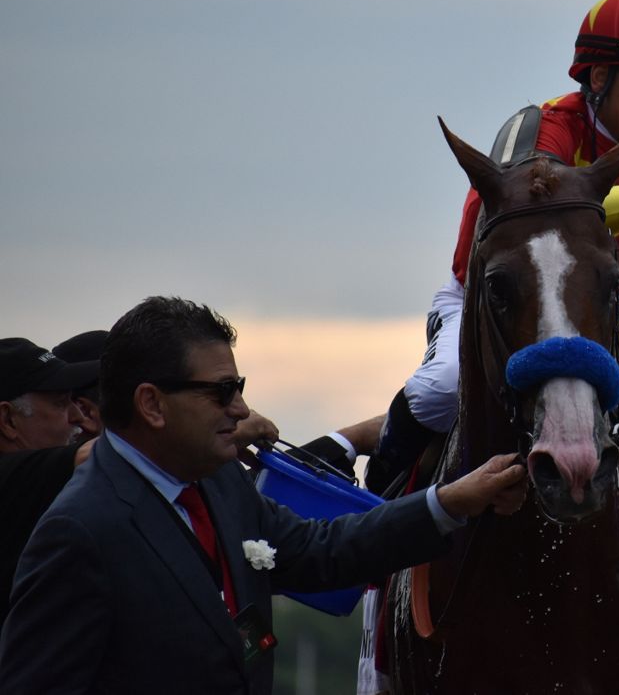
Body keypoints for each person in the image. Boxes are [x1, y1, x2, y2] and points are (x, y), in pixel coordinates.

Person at [0, 297, 527, 695]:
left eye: (241, 386)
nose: (241, 409)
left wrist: (451, 501)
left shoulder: (219, 480)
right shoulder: (81, 532)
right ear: (151, 405)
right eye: (222, 391)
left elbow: (323, 550)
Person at [384, 0, 619, 502]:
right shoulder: (545, 130)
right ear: (600, 76)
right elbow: (537, 219)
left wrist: (588, 342)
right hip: (490, 304)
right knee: (439, 388)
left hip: (598, 315)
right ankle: (379, 521)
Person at [0, 337, 99, 623]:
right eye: (60, 403)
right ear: (7, 420)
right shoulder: (14, 481)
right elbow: (101, 455)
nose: (78, 416)